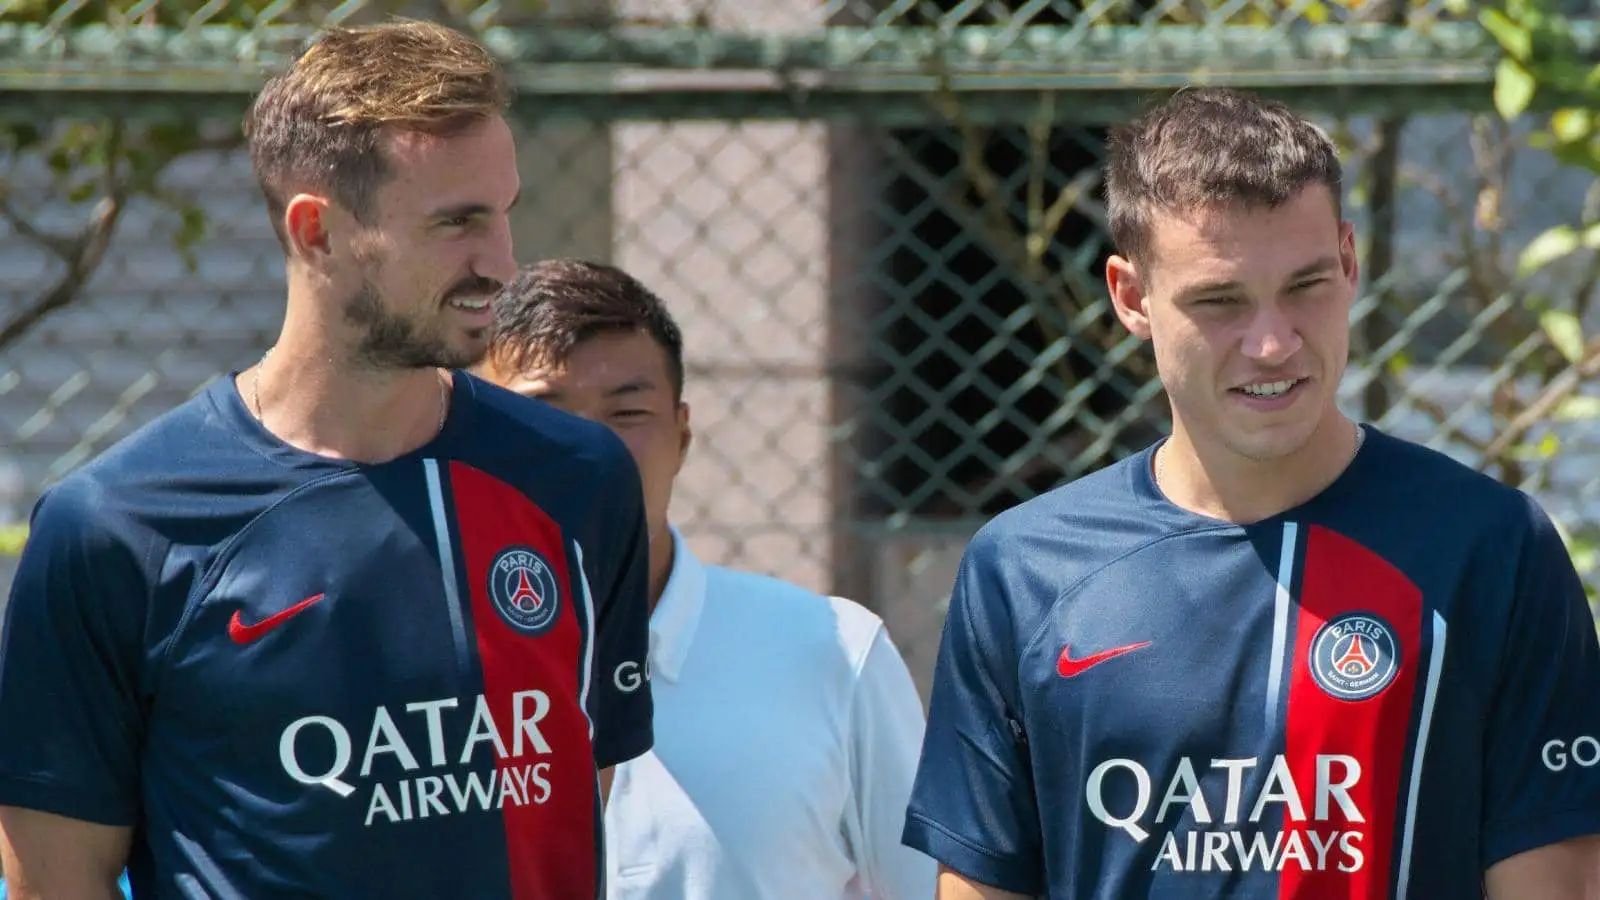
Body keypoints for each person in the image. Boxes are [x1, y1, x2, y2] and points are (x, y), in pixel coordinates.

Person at [0, 21, 654, 899]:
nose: (501, 263)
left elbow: (577, 810)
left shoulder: (579, 478)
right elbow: (54, 882)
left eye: (504, 213)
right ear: (317, 234)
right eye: (456, 223)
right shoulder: (116, 527)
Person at [902, 86, 1600, 899]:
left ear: (1347, 261)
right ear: (1132, 297)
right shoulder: (1025, 569)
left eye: (1305, 286)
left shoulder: (1492, 546)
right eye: (1220, 301)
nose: (1272, 344)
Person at [475, 258, 938, 900]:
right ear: (473, 443)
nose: (587, 452)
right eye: (543, 414)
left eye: (627, 414)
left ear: (682, 435)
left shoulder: (832, 655)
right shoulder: (418, 672)